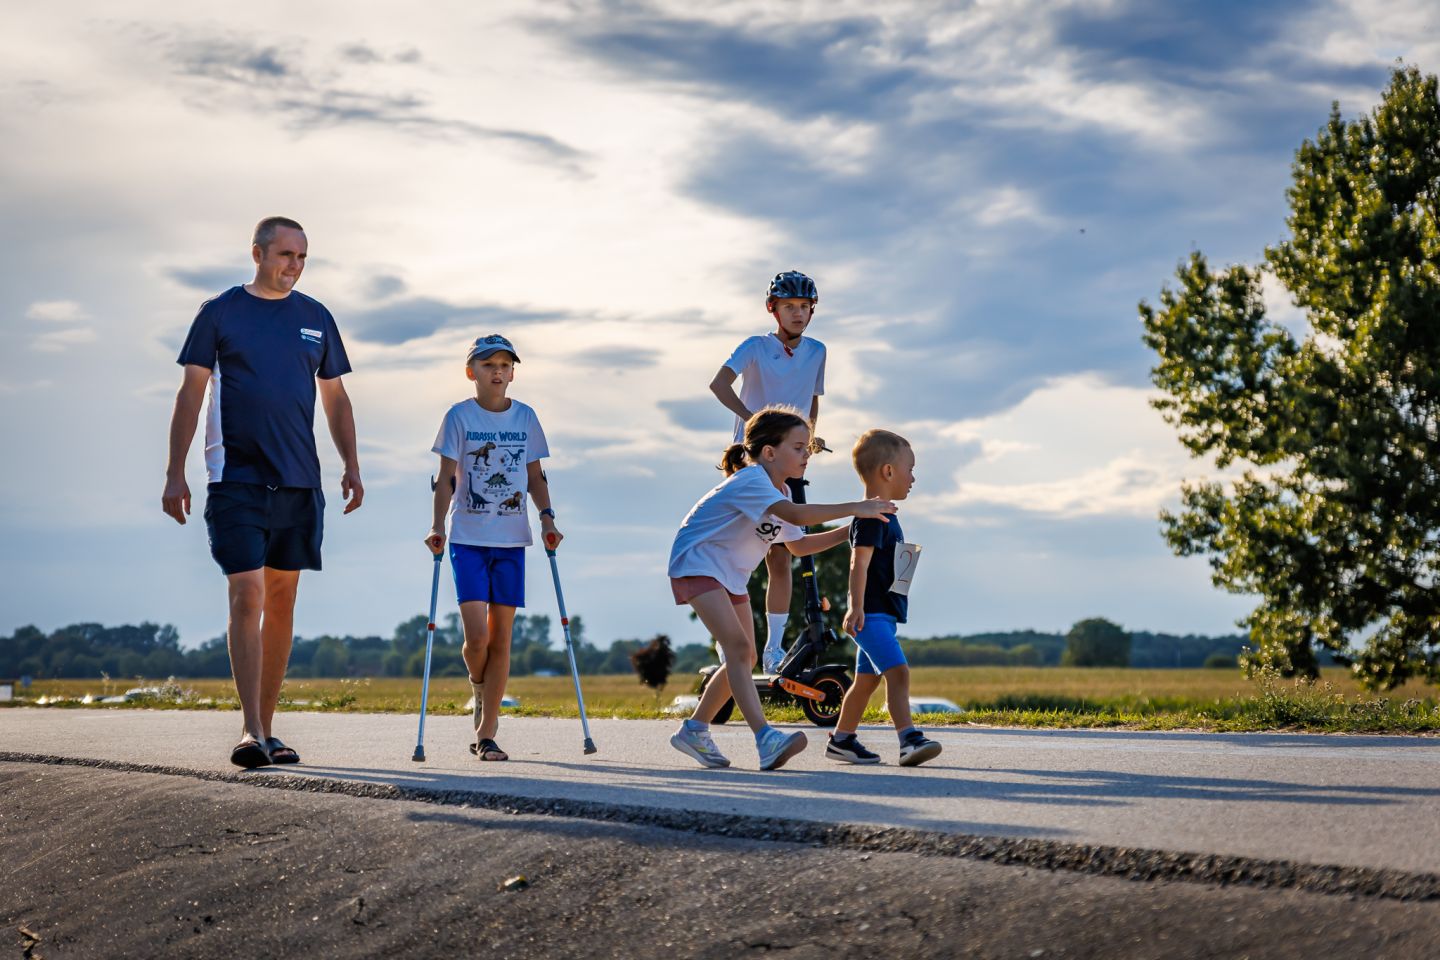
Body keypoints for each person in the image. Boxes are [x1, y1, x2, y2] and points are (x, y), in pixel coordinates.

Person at [162, 216, 364, 769]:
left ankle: (269, 730)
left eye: (302, 257)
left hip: (299, 480)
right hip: (236, 478)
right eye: (285, 255)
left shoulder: (316, 317)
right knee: (246, 593)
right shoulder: (221, 312)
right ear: (257, 253)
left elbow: (337, 399)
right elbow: (191, 394)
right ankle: (250, 730)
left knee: (281, 600)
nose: (294, 266)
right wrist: (175, 471)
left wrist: (351, 463)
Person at [668, 406, 895, 771]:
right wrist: (858, 506)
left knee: (745, 657)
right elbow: (794, 516)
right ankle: (765, 738)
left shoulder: (781, 488)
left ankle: (694, 729)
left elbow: (799, 545)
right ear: (769, 452)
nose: (807, 455)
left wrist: (853, 530)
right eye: (798, 447)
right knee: (738, 649)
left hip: (729, 575)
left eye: (808, 448)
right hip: (698, 563)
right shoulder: (752, 480)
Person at [425, 334, 561, 762]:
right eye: (488, 365)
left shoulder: (525, 417)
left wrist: (547, 518)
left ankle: (487, 731)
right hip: (467, 537)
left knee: (502, 637)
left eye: (504, 364)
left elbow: (535, 476)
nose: (497, 371)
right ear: (472, 373)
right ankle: (479, 690)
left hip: (511, 540)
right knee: (477, 638)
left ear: (513, 372)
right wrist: (435, 525)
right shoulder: (459, 416)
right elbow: (447, 475)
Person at [709, 270, 828, 673]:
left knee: (782, 556)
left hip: (790, 460)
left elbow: (811, 401)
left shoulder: (817, 351)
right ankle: (725, 637)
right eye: (789, 307)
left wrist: (809, 438)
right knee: (736, 548)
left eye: (804, 307)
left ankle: (773, 649)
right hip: (752, 459)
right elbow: (719, 384)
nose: (798, 314)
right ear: (772, 309)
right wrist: (752, 420)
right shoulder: (755, 346)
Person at [827, 429, 941, 767]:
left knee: (867, 680)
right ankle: (908, 739)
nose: (913, 478)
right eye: (910, 469)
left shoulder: (886, 516)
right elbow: (857, 562)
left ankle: (842, 740)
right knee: (898, 672)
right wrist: (856, 606)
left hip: (883, 615)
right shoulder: (872, 516)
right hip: (870, 615)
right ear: (888, 472)